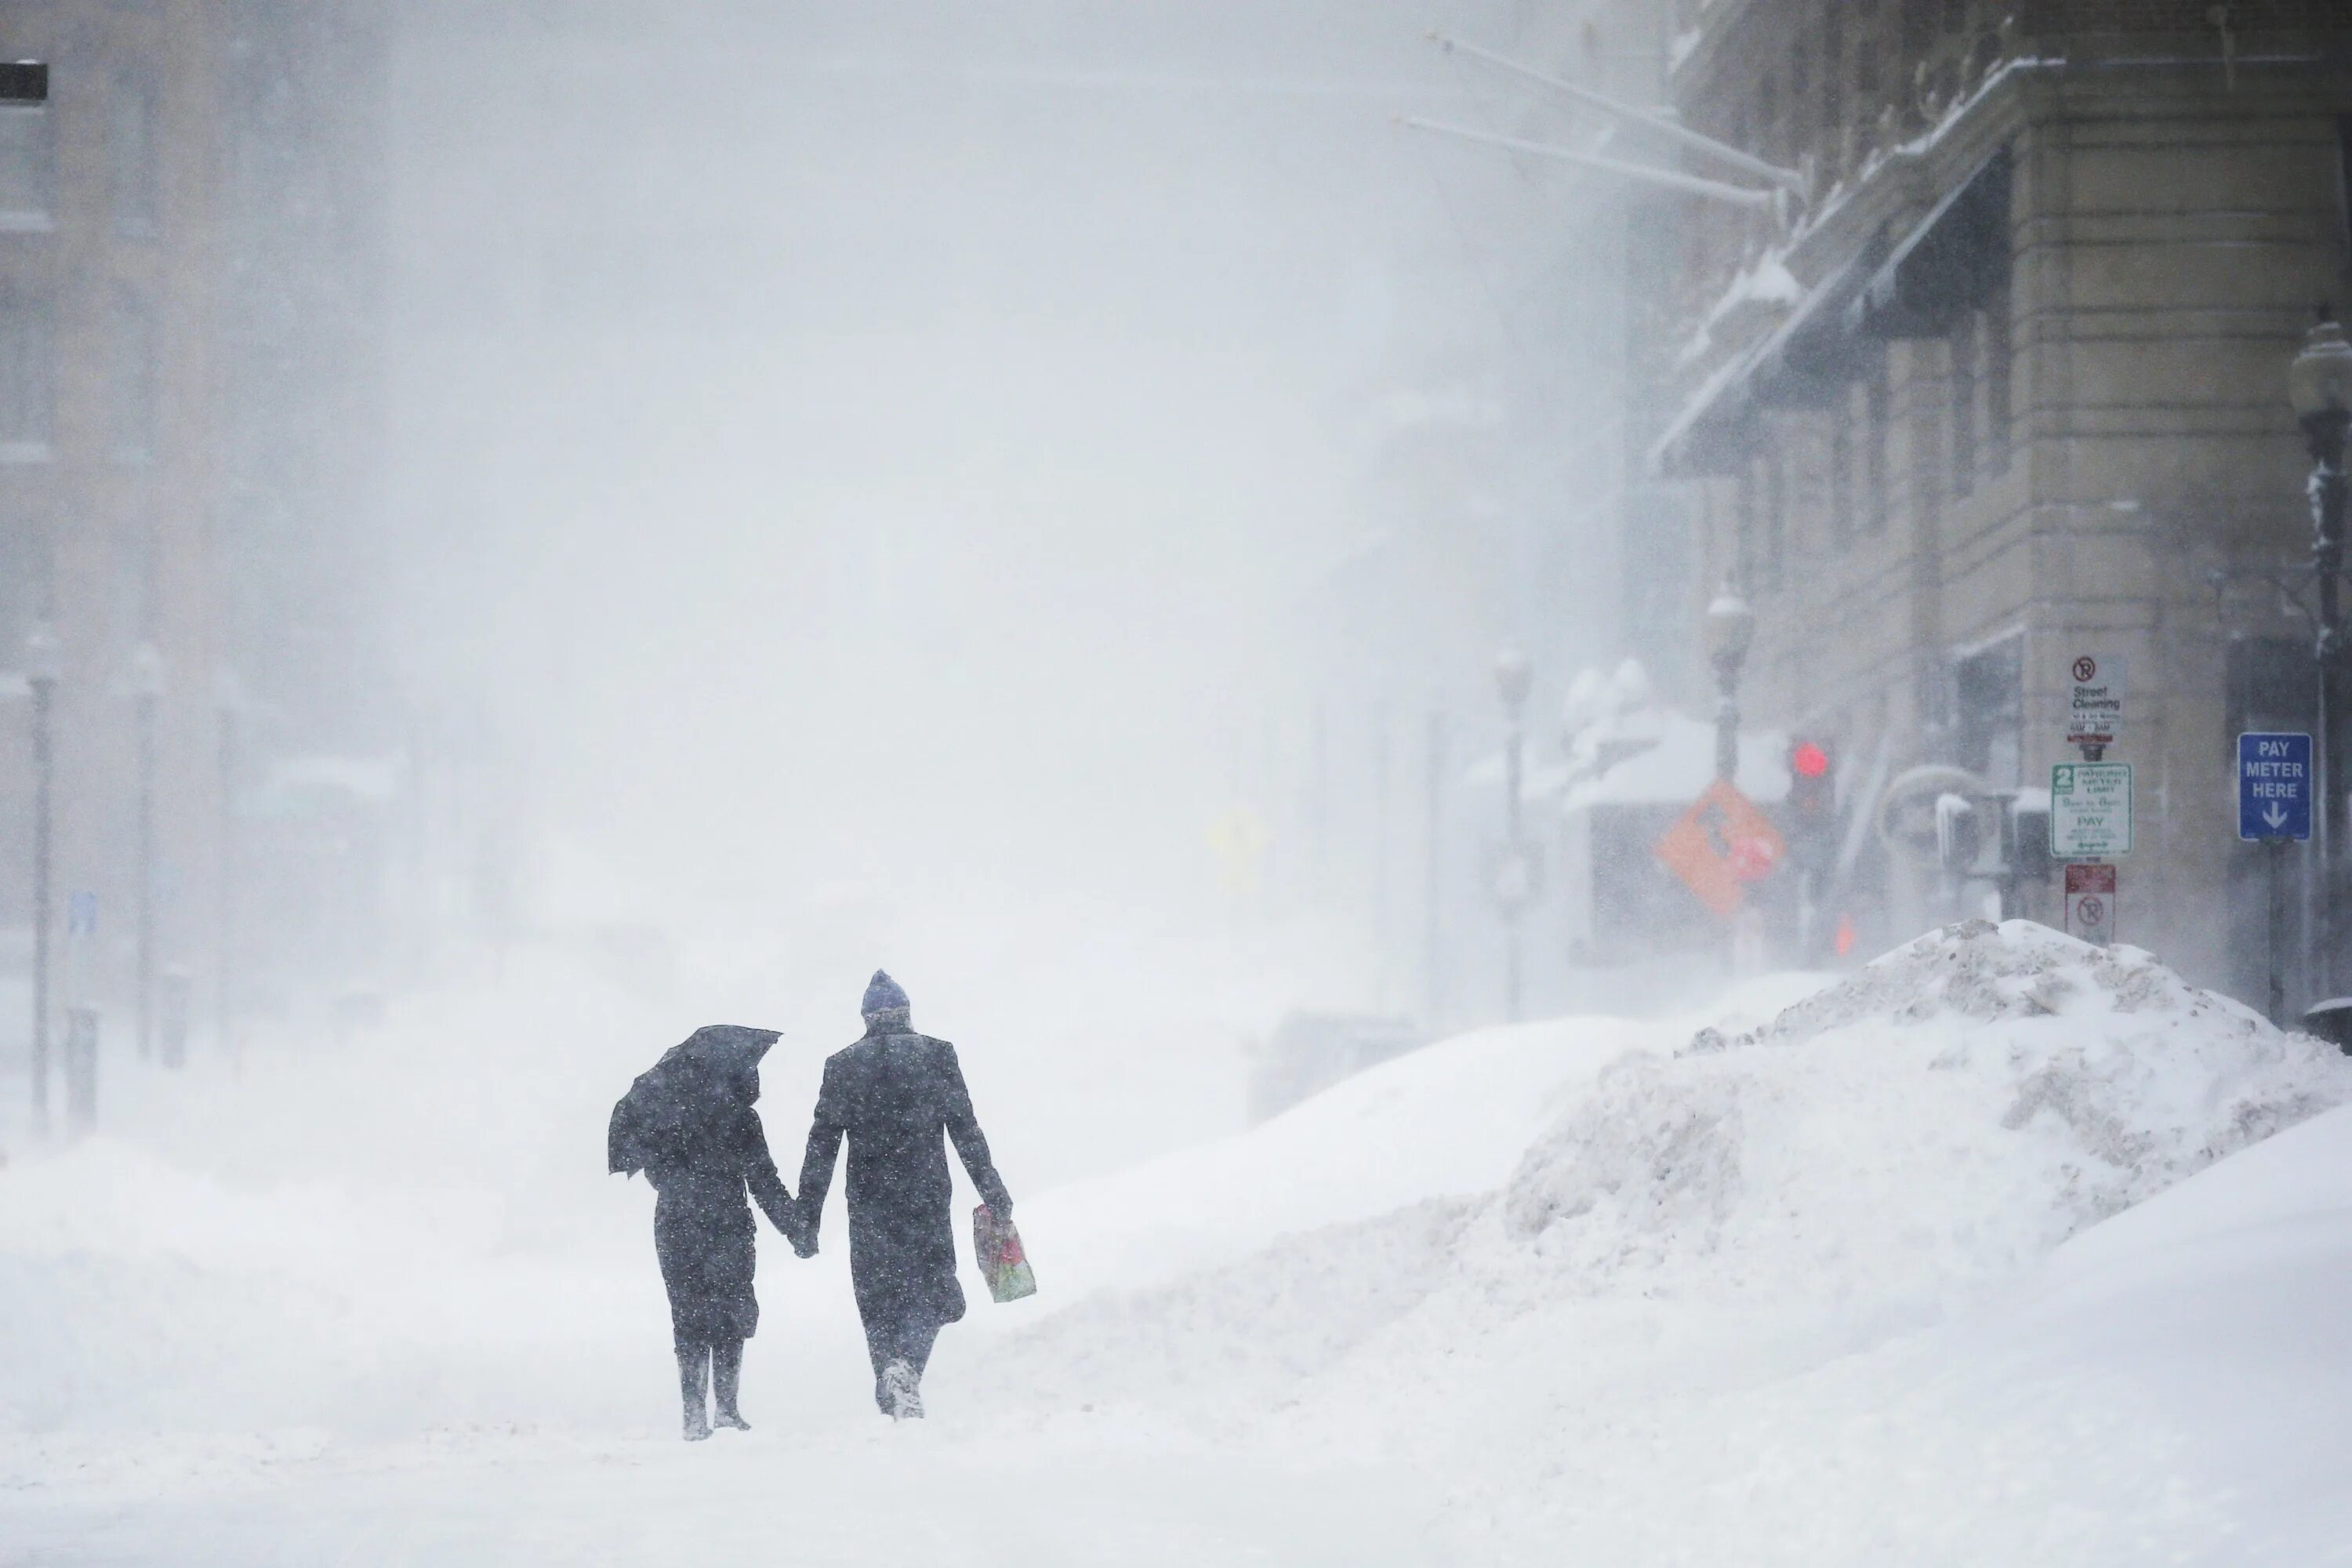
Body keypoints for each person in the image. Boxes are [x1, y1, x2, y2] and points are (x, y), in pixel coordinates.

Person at [792, 971, 1013, 1420]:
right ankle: (906, 1368)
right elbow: (966, 1131)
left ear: (867, 1019)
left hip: (870, 1203)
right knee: (936, 1293)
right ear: (906, 1014)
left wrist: (807, 1218)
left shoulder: (842, 1065)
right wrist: (994, 1191)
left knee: (878, 1296)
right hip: (925, 1198)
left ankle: (892, 1376)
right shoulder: (936, 1055)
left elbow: (822, 1147)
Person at [608, 1024, 804, 1440]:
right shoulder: (740, 1118)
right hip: (727, 1222)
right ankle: (728, 1409)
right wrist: (796, 1228)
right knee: (730, 1312)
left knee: (688, 1315)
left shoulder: (661, 1111)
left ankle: (694, 1412)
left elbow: (650, 1170)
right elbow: (765, 1181)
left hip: (675, 1223)